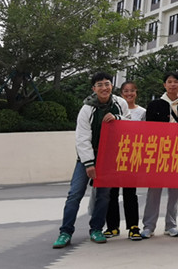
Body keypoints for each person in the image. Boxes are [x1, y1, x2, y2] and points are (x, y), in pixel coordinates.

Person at [52, 72, 129, 248]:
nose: (104, 88)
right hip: (87, 157)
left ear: (112, 86)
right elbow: (82, 138)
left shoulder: (120, 103)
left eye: (107, 84)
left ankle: (96, 229)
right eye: (100, 85)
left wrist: (117, 118)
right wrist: (89, 163)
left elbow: (129, 122)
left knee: (103, 195)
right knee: (74, 194)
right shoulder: (87, 108)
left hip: (108, 158)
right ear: (94, 89)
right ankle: (65, 232)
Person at [140, 72, 178, 239]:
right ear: (164, 85)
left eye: (176, 82)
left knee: (174, 190)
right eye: (169, 82)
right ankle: (149, 226)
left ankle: (171, 225)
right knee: (154, 190)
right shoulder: (154, 105)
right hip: (158, 152)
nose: (172, 84)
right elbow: (148, 130)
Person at [103, 81, 146, 241]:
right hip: (113, 156)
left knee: (130, 193)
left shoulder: (142, 112)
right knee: (111, 193)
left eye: (132, 90)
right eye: (126, 91)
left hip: (131, 156)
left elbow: (145, 134)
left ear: (136, 92)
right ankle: (112, 226)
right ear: (121, 94)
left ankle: (133, 226)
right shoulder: (113, 110)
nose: (129, 94)